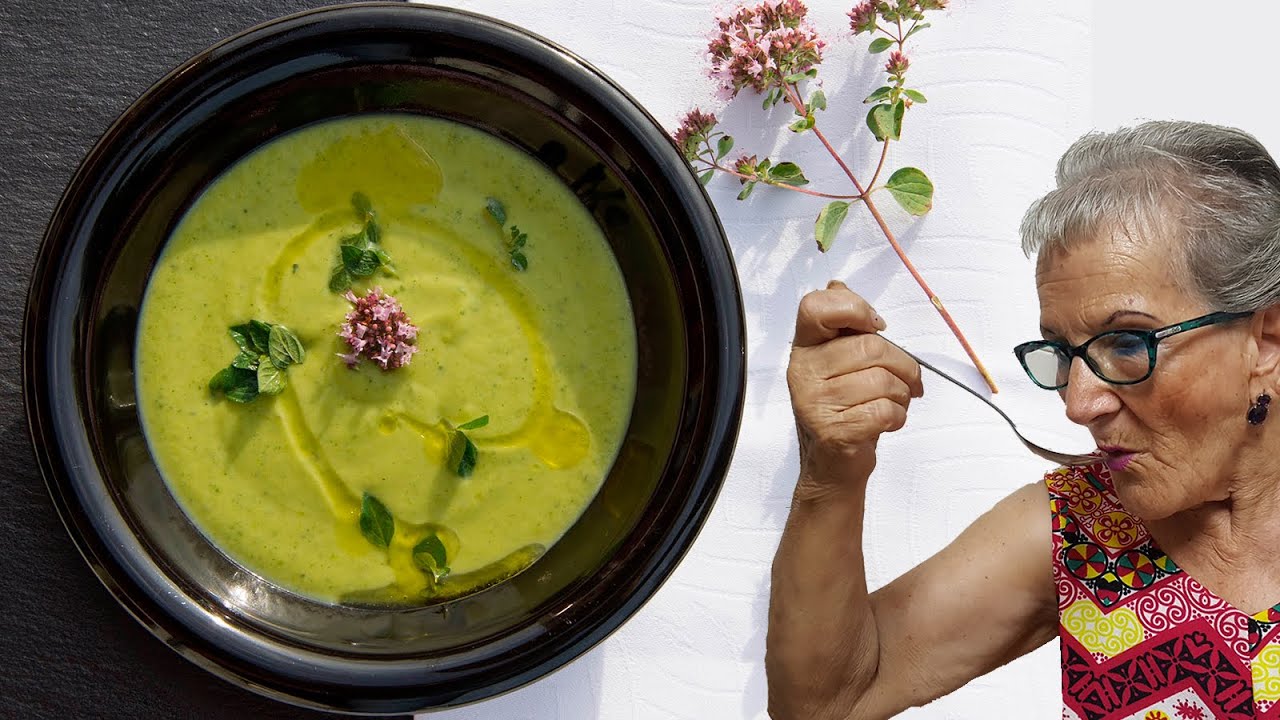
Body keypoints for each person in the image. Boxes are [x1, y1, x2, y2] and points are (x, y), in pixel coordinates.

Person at [766, 120, 1280, 720]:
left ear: (1265, 340)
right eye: (1062, 353)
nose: (1078, 404)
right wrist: (831, 471)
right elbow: (824, 703)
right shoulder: (1082, 530)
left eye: (1128, 342)